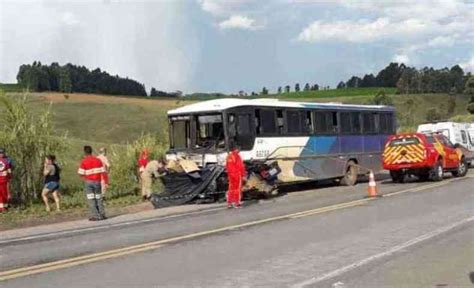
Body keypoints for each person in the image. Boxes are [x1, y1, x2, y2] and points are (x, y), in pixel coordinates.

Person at [78, 146, 107, 221]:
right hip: (97, 181)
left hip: (89, 182)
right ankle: (102, 214)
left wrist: (86, 175)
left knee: (91, 199)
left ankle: (95, 215)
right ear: (91, 151)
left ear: (85, 152)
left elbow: (80, 173)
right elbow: (103, 172)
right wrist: (106, 182)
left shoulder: (84, 161)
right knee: (99, 198)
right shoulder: (98, 160)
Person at [0, 148, 12, 212]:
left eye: (2, 153)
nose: (1, 154)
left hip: (4, 180)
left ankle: (4, 206)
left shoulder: (7, 160)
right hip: (3, 179)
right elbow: (9, 169)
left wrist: (10, 175)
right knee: (2, 193)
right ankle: (2, 207)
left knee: (4, 193)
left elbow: (9, 168)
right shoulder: (6, 161)